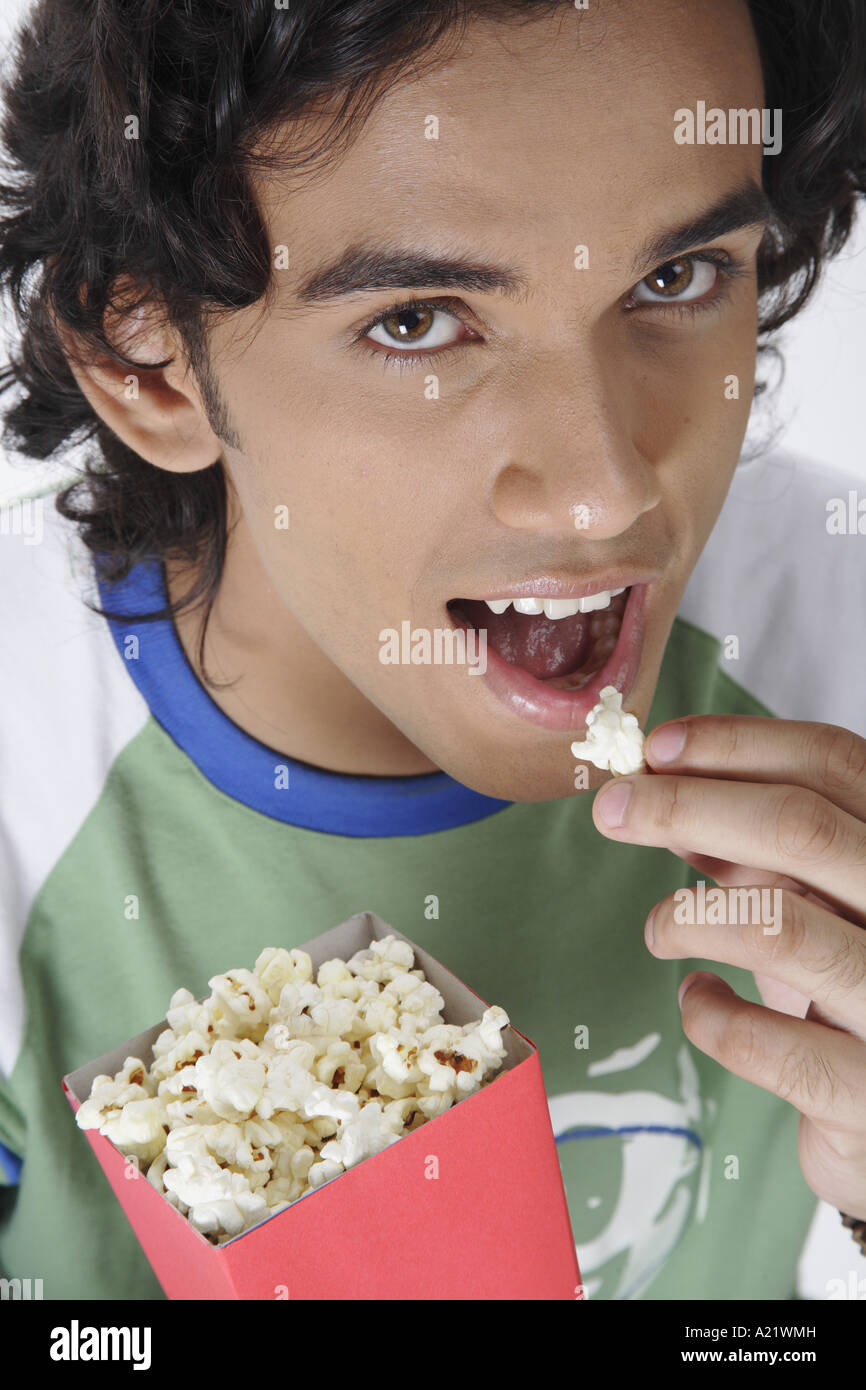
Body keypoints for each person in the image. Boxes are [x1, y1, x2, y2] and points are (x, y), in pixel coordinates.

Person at [0, 0, 864, 1301]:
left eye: (674, 280)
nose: (601, 489)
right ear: (152, 363)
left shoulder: (836, 633)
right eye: (417, 321)